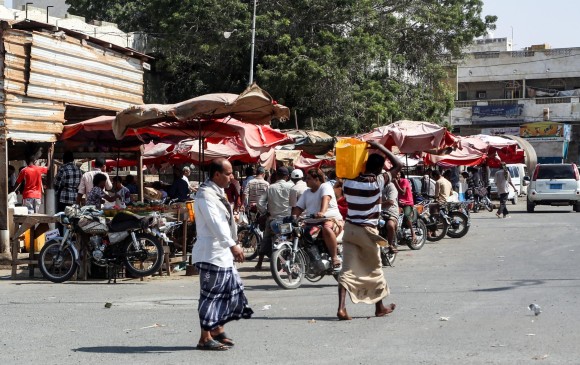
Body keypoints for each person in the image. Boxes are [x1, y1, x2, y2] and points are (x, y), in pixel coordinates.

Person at [337, 140, 402, 321]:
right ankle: (379, 307)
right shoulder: (378, 182)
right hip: (367, 231)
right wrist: (379, 147)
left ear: (364, 165)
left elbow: (346, 169)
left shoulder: (348, 182)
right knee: (375, 269)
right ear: (381, 169)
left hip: (349, 229)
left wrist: (359, 155)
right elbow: (398, 165)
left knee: (346, 270)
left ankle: (342, 308)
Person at [192, 158, 252, 351]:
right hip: (211, 252)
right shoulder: (205, 195)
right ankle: (204, 337)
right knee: (210, 296)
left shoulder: (218, 193)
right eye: (228, 173)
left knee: (228, 293)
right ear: (216, 174)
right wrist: (233, 244)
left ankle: (217, 330)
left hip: (222, 253)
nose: (231, 177)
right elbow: (215, 223)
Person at [292, 168, 344, 270]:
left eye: (308, 178)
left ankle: (334, 258)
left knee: (326, 228)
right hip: (312, 222)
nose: (306, 180)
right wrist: (293, 217)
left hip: (331, 220)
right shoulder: (307, 192)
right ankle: (310, 259)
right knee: (297, 232)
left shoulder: (325, 187)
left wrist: (322, 212)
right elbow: (298, 208)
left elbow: (326, 199)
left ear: (317, 179)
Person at [255, 166, 293, 270]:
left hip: (273, 220)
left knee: (266, 239)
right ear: (287, 176)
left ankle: (259, 263)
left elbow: (259, 203)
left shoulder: (270, 187)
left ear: (276, 176)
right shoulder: (291, 187)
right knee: (289, 240)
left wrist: (265, 212)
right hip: (286, 220)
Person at [393, 171, 416, 243]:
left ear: (400, 175)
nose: (397, 175)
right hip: (398, 203)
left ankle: (413, 233)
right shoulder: (392, 183)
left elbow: (403, 192)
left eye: (398, 174)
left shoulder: (404, 181)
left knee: (406, 215)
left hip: (407, 203)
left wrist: (396, 183)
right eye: (396, 174)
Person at [382, 182, 399, 253]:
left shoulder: (391, 186)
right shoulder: (372, 185)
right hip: (376, 210)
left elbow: (390, 202)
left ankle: (390, 245)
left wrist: (375, 205)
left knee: (390, 225)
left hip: (390, 211)